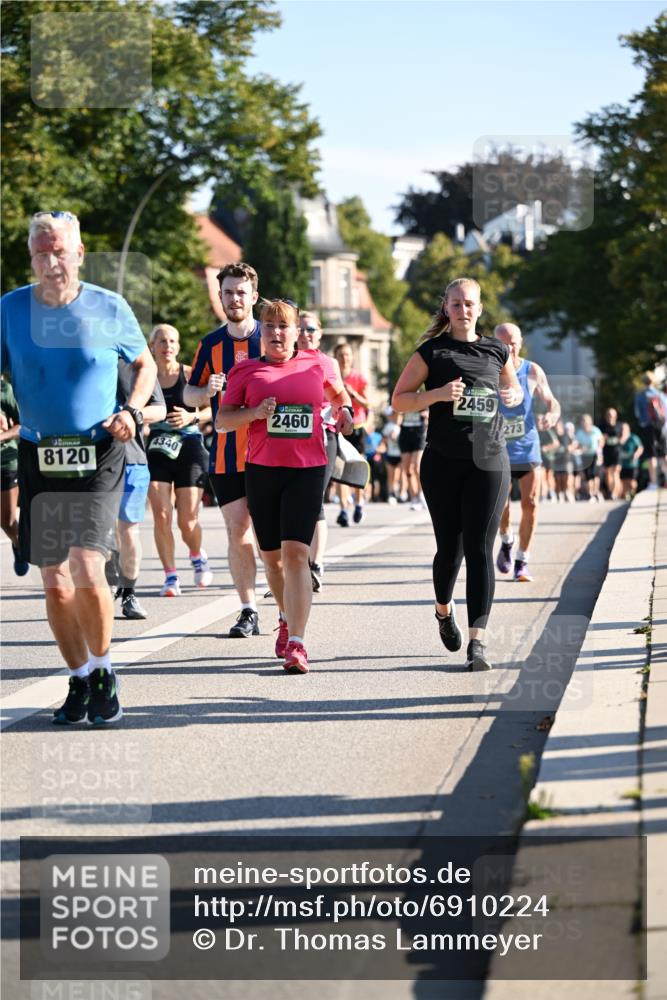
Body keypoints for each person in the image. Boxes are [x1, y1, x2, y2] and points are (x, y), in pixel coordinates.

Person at [0, 210, 156, 725]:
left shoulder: (109, 307)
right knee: (54, 580)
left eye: (60, 250)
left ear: (80, 253)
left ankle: (106, 667)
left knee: (88, 568)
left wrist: (133, 409)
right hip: (39, 452)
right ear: (31, 257)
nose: (51, 261)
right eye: (41, 251)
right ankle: (80, 676)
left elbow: (144, 365)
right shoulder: (10, 310)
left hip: (99, 449)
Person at [392, 277, 522, 671]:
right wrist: (436, 395)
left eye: (470, 304)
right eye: (456, 304)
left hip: (489, 459)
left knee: (481, 549)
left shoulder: (497, 350)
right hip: (443, 462)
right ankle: (443, 611)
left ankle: (478, 643)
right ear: (446, 308)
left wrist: (512, 394)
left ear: (480, 308)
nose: (463, 310)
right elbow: (398, 400)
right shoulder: (432, 352)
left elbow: (512, 388)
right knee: (451, 550)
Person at [216, 299, 353, 674]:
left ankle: (297, 642)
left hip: (307, 469)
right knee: (272, 561)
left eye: (284, 326)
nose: (277, 332)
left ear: (296, 333)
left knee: (296, 554)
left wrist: (346, 415)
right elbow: (222, 421)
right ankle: (283, 615)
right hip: (262, 471)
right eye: (270, 326)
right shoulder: (244, 371)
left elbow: (339, 396)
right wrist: (254, 414)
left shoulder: (317, 363)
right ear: (262, 331)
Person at [184, 262, 262, 637]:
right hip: (227, 454)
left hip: (269, 454)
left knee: (270, 540)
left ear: (254, 297)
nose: (234, 298)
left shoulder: (272, 339)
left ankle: (284, 607)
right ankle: (248, 609)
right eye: (228, 292)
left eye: (241, 292)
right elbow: (189, 393)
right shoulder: (211, 345)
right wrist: (207, 392)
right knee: (237, 532)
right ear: (220, 296)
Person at [147, 324, 212, 596]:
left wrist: (191, 417)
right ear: (152, 347)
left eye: (173, 340)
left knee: (187, 521)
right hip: (158, 447)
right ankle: (170, 576)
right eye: (162, 341)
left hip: (189, 445)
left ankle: (197, 556)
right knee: (161, 515)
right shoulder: (144, 378)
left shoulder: (188, 374)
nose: (168, 346)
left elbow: (213, 409)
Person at [494, 323, 560, 583]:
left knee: (531, 503)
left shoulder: (532, 370)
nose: (509, 347)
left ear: (520, 342)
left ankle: (522, 560)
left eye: (513, 342)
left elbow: (550, 399)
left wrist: (553, 413)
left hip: (527, 446)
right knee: (501, 506)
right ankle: (507, 539)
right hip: (496, 449)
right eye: (503, 342)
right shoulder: (487, 371)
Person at [296, 311, 351, 592]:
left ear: (320, 334)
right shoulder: (283, 359)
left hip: (322, 437)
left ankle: (315, 565)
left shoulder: (327, 363)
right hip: (290, 441)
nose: (305, 334)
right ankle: (296, 564)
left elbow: (341, 397)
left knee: (314, 501)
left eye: (311, 330)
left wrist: (346, 412)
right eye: (300, 329)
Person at [110, 360, 166, 618]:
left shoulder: (139, 363)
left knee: (128, 531)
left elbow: (161, 409)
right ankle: (100, 588)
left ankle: (129, 592)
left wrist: (132, 415)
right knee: (99, 531)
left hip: (132, 459)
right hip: (91, 460)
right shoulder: (80, 355)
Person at [333, 341, 370, 525]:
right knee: (340, 469)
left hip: (358, 427)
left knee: (357, 468)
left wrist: (353, 394)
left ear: (352, 357)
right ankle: (343, 510)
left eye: (347, 355)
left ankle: (359, 503)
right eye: (341, 355)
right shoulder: (332, 377)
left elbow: (367, 403)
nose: (344, 358)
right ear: (336, 358)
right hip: (339, 427)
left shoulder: (359, 377)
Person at [1, 375, 30, 576]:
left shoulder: (5, 389)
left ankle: (19, 545)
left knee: (8, 522)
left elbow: (23, 424)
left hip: (5, 461)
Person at [634, 372, 667, 490]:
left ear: (643, 381)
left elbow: (637, 413)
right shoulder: (660, 395)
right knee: (664, 454)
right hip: (661, 427)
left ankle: (653, 483)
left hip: (647, 427)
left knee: (651, 455)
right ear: (654, 381)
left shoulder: (640, 396)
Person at [398, 408, 428, 510]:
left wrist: (425, 414)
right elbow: (393, 415)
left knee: (416, 467)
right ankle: (414, 497)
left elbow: (429, 413)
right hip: (405, 432)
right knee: (408, 470)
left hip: (419, 431)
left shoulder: (423, 394)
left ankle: (422, 494)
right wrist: (399, 413)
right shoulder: (403, 395)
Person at [575, 414, 603, 502]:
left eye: (586, 421)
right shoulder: (579, 433)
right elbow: (577, 444)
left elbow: (601, 441)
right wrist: (580, 448)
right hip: (585, 456)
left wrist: (599, 452)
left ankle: (596, 492)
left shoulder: (595, 430)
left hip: (595, 455)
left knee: (595, 474)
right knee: (588, 475)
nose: (584, 423)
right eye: (583, 421)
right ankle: (591, 494)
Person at [599, 406, 623, 500]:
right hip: (607, 453)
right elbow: (600, 440)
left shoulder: (620, 425)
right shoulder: (602, 426)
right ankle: (612, 492)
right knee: (608, 474)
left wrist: (619, 440)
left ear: (615, 416)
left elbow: (623, 438)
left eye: (612, 415)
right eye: (609, 415)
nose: (610, 417)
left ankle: (616, 493)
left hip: (617, 453)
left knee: (616, 473)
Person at [619, 422, 643, 500]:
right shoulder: (619, 438)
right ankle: (627, 496)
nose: (623, 430)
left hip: (632, 464)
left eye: (624, 429)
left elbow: (640, 448)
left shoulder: (633, 437)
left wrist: (635, 455)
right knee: (624, 481)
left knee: (632, 482)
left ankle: (633, 493)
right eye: (621, 429)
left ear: (628, 429)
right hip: (622, 464)